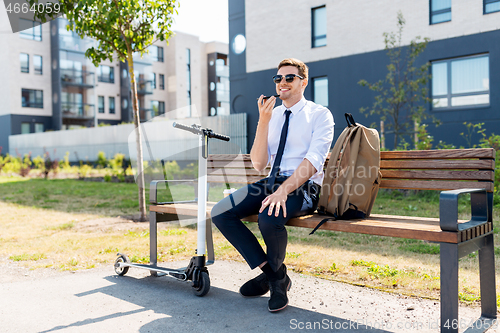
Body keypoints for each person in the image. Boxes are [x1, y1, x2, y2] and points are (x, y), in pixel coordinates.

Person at [211, 58, 334, 312]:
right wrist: (263, 121)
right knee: (221, 212)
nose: (282, 83)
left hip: (304, 186)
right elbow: (258, 164)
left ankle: (274, 284)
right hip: (272, 182)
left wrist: (283, 190)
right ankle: (275, 275)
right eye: (278, 79)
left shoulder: (320, 115)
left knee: (269, 217)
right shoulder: (274, 115)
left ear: (304, 81)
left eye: (289, 77)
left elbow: (314, 161)